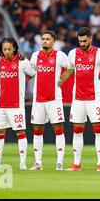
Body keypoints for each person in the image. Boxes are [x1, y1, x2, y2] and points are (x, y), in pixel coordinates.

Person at [58, 27, 100, 171]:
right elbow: (69, 71)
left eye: (85, 41)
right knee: (77, 131)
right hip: (78, 99)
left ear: (90, 39)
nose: (82, 44)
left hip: (94, 98)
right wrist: (59, 82)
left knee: (98, 130)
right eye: (80, 41)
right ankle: (76, 163)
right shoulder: (73, 53)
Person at [0, 38, 36, 170]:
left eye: (9, 49)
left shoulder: (22, 61)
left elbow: (32, 73)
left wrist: (22, 80)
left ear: (15, 48)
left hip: (16, 104)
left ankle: (22, 163)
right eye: (4, 49)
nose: (7, 51)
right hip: (1, 104)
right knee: (0, 131)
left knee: (20, 132)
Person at [29, 31, 69, 171]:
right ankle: (38, 163)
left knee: (58, 129)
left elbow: (71, 68)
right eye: (43, 39)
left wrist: (62, 79)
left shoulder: (60, 56)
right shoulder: (35, 56)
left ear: (53, 42)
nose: (45, 41)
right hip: (38, 99)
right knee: (37, 129)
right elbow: (30, 72)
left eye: (48, 39)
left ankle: (59, 162)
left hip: (54, 99)